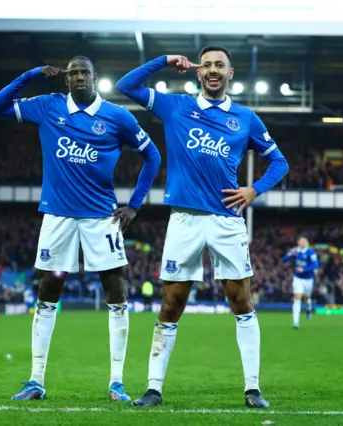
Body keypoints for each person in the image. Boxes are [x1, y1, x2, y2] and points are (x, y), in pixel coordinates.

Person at [116, 46, 289, 408]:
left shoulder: (245, 118)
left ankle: (253, 388)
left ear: (231, 73)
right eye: (207, 64)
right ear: (198, 72)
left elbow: (279, 162)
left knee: (240, 299)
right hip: (185, 220)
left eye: (219, 65)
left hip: (227, 220)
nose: (213, 70)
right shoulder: (175, 106)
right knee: (172, 301)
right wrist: (164, 61)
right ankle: (153, 387)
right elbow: (126, 85)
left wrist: (254, 190)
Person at [0, 55, 161, 402]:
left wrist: (135, 205)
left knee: (116, 291)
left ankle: (116, 382)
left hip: (101, 218)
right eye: (74, 73)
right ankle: (36, 380)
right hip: (58, 217)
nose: (80, 77)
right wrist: (32, 73)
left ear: (95, 78)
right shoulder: (48, 107)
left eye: (85, 72)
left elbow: (153, 155)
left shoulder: (117, 116)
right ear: (66, 79)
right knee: (48, 290)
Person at [282, 236, 319, 328]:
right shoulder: (295, 250)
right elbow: (284, 259)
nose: (303, 242)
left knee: (306, 298)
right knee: (297, 297)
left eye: (305, 241)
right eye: (301, 241)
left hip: (308, 279)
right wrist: (290, 254)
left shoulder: (310, 252)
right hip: (297, 278)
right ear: (298, 242)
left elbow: (315, 264)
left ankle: (308, 307)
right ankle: (296, 322)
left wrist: (304, 269)